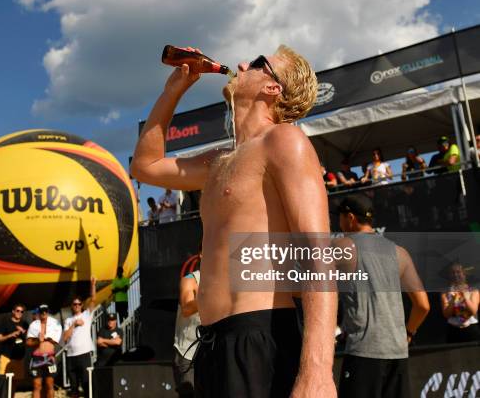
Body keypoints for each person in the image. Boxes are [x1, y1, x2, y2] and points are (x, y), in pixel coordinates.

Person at [131, 45, 337, 398]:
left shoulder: (284, 139)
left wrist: (317, 371)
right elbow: (145, 166)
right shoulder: (218, 160)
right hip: (212, 343)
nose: (241, 63)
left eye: (257, 63)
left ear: (273, 88)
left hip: (261, 337)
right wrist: (173, 90)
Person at [336, 195, 430, 398]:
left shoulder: (341, 247)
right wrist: (409, 334)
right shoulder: (400, 252)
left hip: (363, 352)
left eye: (340, 217)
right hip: (397, 353)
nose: (339, 222)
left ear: (350, 218)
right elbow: (423, 305)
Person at [63, 277, 97, 398]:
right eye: (74, 304)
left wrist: (93, 285)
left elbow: (93, 299)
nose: (77, 305)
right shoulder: (68, 320)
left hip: (84, 354)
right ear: (72, 306)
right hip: (71, 356)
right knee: (73, 388)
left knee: (87, 385)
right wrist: (74, 324)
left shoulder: (86, 315)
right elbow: (65, 337)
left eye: (79, 304)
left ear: (82, 305)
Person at [173, 269, 201, 398]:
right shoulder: (190, 280)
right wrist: (212, 296)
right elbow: (186, 309)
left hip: (214, 350)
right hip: (188, 353)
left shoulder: (226, 279)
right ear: (201, 254)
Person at [26, 304, 62, 398]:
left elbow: (55, 341)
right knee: (37, 385)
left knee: (50, 384)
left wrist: (46, 338)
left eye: (45, 311)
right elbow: (28, 342)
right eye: (42, 311)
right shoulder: (33, 325)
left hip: (50, 358)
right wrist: (38, 340)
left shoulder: (55, 323)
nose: (44, 313)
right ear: (39, 312)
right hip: (37, 358)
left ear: (48, 311)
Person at [441, 263, 480, 343]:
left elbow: (473, 311)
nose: (455, 275)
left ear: (464, 274)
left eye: (458, 272)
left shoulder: (473, 291)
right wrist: (453, 299)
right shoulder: (445, 292)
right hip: (453, 330)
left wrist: (464, 296)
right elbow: (446, 314)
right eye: (453, 273)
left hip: (471, 329)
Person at [0, 303, 29, 391]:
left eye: (22, 312)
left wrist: (23, 332)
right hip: (6, 357)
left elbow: (30, 339)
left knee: (15, 383)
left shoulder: (25, 324)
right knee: (3, 381)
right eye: (18, 311)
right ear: (13, 311)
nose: (19, 313)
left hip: (18, 359)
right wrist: (10, 335)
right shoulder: (5, 323)